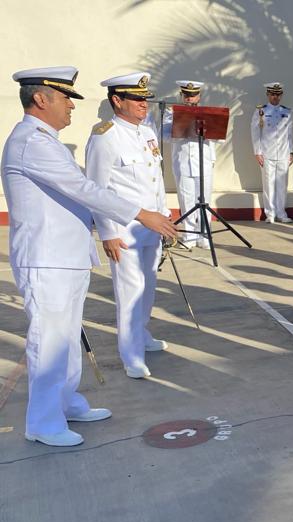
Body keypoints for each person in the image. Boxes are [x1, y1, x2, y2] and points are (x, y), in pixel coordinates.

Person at [2, 66, 176, 447]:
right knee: (49, 341)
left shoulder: (46, 141)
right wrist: (141, 213)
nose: (71, 106)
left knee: (66, 339)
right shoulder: (32, 142)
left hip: (65, 256)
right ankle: (43, 423)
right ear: (41, 99)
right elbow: (84, 188)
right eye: (66, 98)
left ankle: (66, 403)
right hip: (46, 258)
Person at [86, 72, 170, 379]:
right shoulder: (104, 136)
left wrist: (164, 215)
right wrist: (107, 233)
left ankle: (142, 334)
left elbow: (156, 179)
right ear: (117, 101)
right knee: (130, 291)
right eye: (136, 99)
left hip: (152, 226)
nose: (143, 104)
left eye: (145, 99)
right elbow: (96, 189)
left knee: (148, 285)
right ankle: (131, 354)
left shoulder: (146, 132)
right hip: (123, 228)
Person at [163, 80, 215, 248]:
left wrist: (206, 132)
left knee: (205, 199)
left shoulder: (208, 113)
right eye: (186, 95)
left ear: (199, 96)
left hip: (204, 161)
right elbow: (164, 136)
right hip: (183, 161)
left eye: (193, 95)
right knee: (186, 200)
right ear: (181, 95)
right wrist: (181, 130)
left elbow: (218, 137)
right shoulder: (171, 113)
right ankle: (189, 236)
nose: (189, 98)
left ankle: (204, 235)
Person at [250, 81, 293, 223]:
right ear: (267, 95)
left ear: (281, 95)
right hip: (267, 152)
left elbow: (290, 133)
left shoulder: (287, 112)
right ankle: (270, 214)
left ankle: (281, 213)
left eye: (278, 94)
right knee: (268, 184)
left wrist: (292, 152)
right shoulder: (260, 111)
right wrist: (257, 152)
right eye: (272, 94)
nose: (275, 97)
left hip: (283, 152)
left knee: (282, 185)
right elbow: (255, 132)